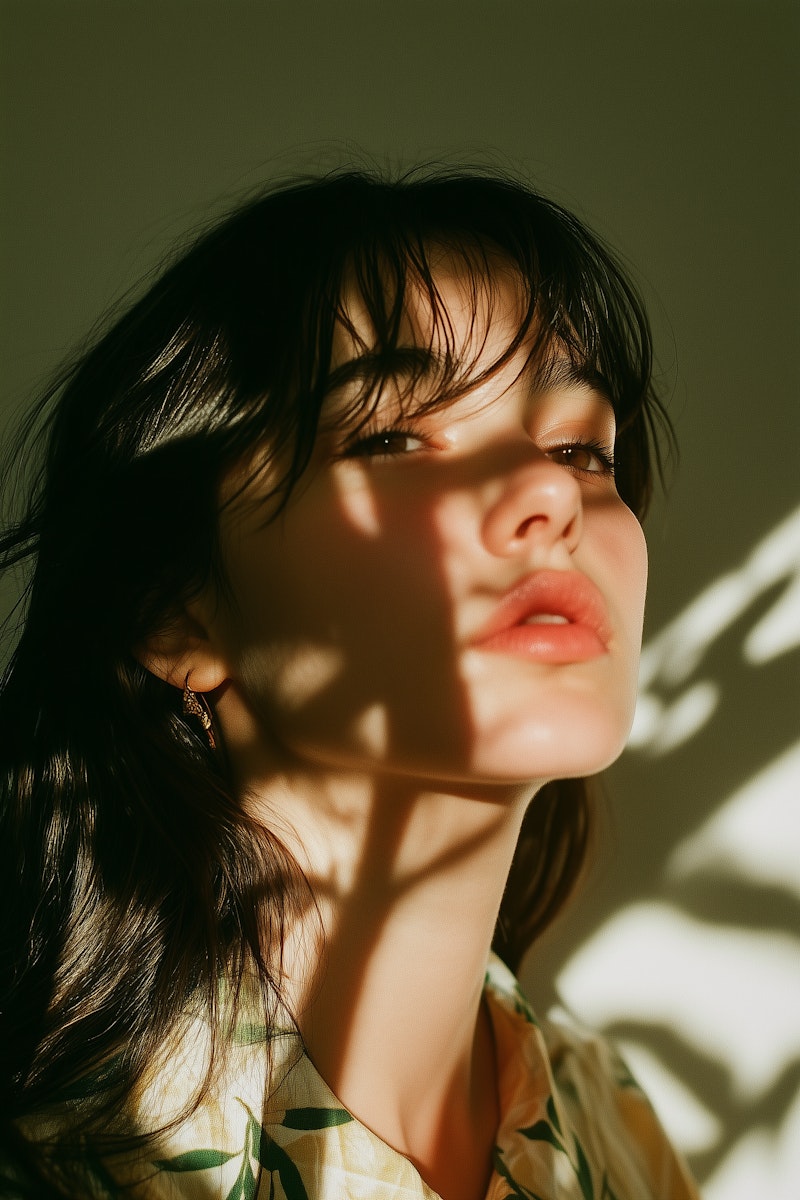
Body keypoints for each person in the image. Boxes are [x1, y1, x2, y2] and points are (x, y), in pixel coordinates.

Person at [0, 168, 699, 1200]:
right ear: (174, 608)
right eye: (391, 436)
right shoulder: (63, 1166)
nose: (551, 491)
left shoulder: (609, 1125)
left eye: (576, 447)